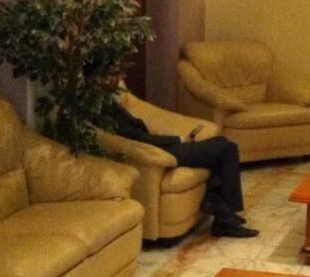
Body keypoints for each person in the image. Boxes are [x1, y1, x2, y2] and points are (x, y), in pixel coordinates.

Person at [106, 101, 259, 238]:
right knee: (227, 149)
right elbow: (138, 138)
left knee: (221, 141)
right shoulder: (103, 109)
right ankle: (225, 219)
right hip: (160, 153)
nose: (117, 80)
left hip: (161, 148)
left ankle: (221, 210)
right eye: (111, 79)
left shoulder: (111, 100)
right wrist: (177, 139)